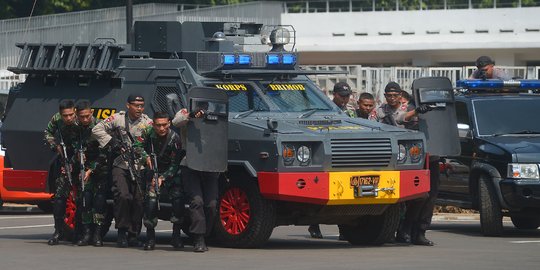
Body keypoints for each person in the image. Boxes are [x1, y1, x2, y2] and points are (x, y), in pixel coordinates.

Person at [370, 82, 437, 246]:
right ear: (385, 96)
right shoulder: (380, 111)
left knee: (423, 196)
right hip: (390, 159)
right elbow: (374, 124)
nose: (392, 98)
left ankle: (414, 230)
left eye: (395, 95)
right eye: (389, 95)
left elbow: (404, 116)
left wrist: (418, 111)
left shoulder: (409, 106)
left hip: (413, 157)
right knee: (394, 198)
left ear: (401, 95)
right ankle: (395, 230)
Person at [92, 94, 153, 248]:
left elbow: (157, 136)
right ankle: (121, 232)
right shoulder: (117, 119)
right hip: (120, 164)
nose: (139, 108)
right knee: (123, 196)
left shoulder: (147, 123)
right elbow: (97, 129)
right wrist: (112, 142)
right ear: (128, 105)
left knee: (139, 200)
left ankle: (134, 234)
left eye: (141, 105)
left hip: (139, 166)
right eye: (136, 105)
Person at [308, 82, 357, 240]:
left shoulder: (350, 111)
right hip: (329, 153)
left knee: (347, 196)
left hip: (346, 154)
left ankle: (344, 229)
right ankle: (314, 225)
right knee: (322, 194)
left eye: (347, 96)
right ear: (334, 94)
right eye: (342, 96)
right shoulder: (324, 108)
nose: (344, 99)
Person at [172, 105, 219, 252]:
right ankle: (198, 238)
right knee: (196, 201)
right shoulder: (186, 111)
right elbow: (176, 122)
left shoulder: (217, 111)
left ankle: (205, 234)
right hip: (190, 163)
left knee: (211, 204)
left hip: (210, 163)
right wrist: (191, 115)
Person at [134, 111, 184, 250]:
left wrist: (162, 178)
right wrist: (145, 157)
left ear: (169, 123)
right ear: (153, 124)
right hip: (153, 172)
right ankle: (150, 238)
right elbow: (136, 146)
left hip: (170, 174)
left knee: (178, 201)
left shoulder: (175, 139)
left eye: (164, 125)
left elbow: (175, 165)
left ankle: (176, 236)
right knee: (150, 203)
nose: (161, 128)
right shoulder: (147, 133)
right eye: (158, 125)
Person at [72, 100, 108, 247]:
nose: (85, 119)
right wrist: (77, 156)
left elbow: (105, 152)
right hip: (84, 168)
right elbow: (73, 146)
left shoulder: (101, 126)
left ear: (91, 113)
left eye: (87, 116)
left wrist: (91, 169)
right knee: (85, 200)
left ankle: (98, 234)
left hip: (100, 168)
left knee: (99, 202)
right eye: (82, 117)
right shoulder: (76, 129)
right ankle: (86, 234)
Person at [44, 100, 79, 245]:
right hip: (64, 157)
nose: (69, 118)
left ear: (75, 111)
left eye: (71, 114)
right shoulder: (56, 119)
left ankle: (84, 231)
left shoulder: (83, 119)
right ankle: (58, 230)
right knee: (60, 197)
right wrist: (54, 146)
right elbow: (47, 133)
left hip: (82, 158)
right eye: (65, 115)